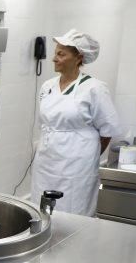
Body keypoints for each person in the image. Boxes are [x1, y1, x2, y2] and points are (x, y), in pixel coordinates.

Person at [31, 29, 120, 216]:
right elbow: (45, 124)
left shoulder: (94, 88)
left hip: (77, 164)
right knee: (43, 209)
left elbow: (106, 131)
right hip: (46, 161)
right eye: (55, 53)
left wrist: (86, 154)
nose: (54, 59)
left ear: (78, 57)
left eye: (61, 54)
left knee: (74, 211)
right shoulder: (48, 86)